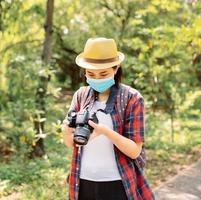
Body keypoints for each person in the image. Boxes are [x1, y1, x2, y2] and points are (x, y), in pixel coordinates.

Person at [62, 38, 156, 200]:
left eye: (103, 73)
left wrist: (105, 131)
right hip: (82, 180)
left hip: (117, 182)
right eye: (91, 74)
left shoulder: (132, 98)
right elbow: (72, 143)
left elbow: (134, 151)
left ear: (116, 68)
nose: (97, 78)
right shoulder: (81, 95)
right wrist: (65, 132)